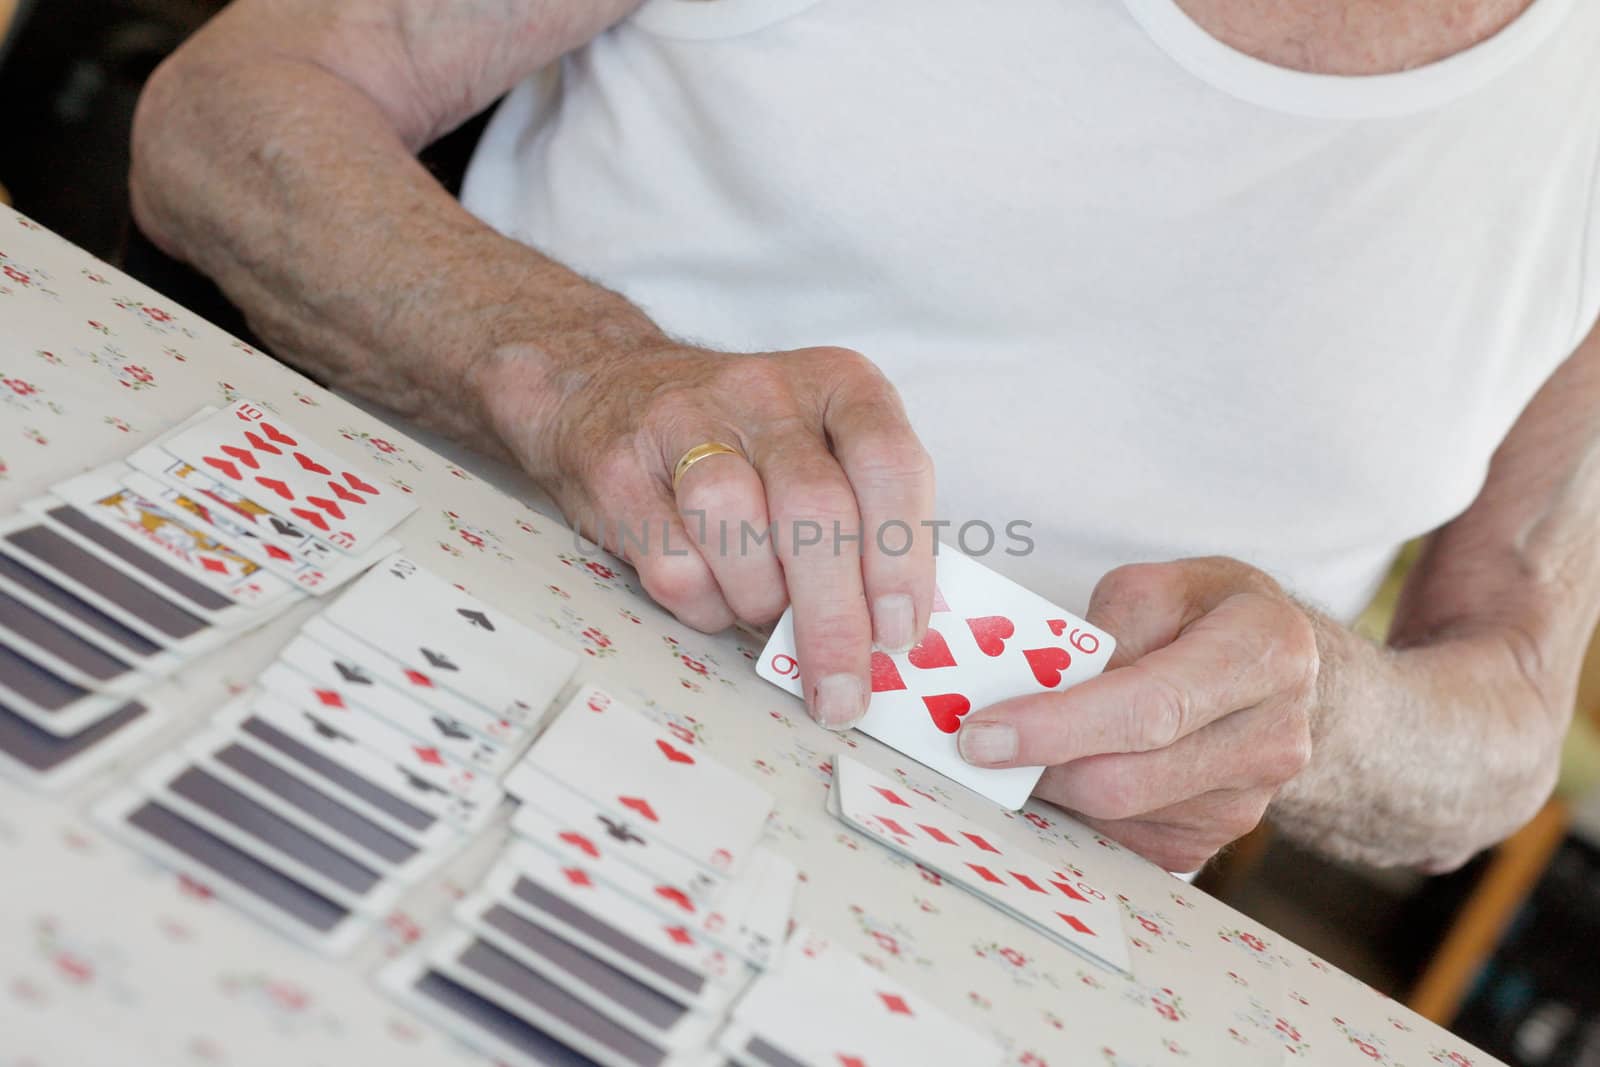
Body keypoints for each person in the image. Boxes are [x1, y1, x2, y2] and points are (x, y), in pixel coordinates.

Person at [128, 0, 1600, 874]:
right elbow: (227, 115)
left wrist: (1324, 720)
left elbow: (1515, 711)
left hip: (975, 958)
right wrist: (587, 379)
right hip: (399, 695)